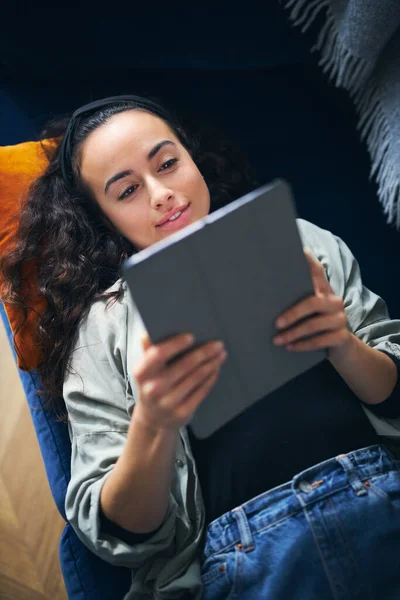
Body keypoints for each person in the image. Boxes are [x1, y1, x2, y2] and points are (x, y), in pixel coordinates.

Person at [2, 95, 400, 600]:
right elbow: (120, 533)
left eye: (167, 163)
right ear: (104, 221)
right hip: (246, 556)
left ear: (193, 158)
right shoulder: (102, 326)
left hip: (380, 491)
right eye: (127, 191)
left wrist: (343, 344)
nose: (162, 193)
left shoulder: (303, 243)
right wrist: (154, 419)